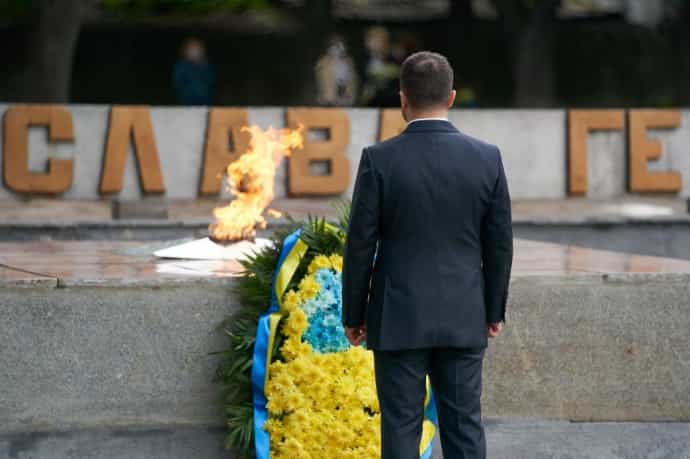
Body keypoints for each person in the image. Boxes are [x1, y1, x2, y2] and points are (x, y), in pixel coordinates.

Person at [342, 51, 513, 459]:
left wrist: (354, 315)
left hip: (397, 316)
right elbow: (499, 244)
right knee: (465, 428)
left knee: (401, 429)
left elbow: (360, 244)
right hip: (464, 314)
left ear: (402, 98)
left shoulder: (378, 160)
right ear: (451, 97)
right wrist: (493, 310)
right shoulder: (487, 158)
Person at [315, 35, 358, 106]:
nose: (337, 48)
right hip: (329, 99)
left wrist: (351, 94)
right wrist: (322, 95)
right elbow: (320, 80)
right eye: (334, 45)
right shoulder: (324, 62)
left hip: (346, 98)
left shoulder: (349, 61)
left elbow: (354, 80)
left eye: (340, 44)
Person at [172, 37, 215, 106]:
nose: (195, 52)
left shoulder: (206, 65)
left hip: (205, 101)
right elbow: (177, 82)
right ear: (186, 51)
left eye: (197, 50)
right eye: (192, 50)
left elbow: (210, 81)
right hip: (187, 101)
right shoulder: (182, 66)